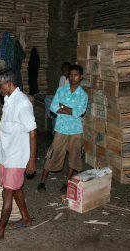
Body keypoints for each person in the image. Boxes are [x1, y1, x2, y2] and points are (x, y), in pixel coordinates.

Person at [0, 69, 37, 244]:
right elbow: (11, 125)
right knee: (16, 188)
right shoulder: (8, 100)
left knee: (7, 192)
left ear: (9, 84)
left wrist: (32, 159)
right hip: (6, 153)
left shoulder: (22, 104)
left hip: (16, 156)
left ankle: (0, 231)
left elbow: (33, 133)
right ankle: (26, 218)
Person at [37, 64, 88, 193]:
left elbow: (79, 112)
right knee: (53, 153)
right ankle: (42, 181)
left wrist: (63, 107)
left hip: (76, 131)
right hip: (61, 128)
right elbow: (53, 107)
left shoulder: (83, 95)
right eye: (70, 75)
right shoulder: (61, 90)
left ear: (81, 77)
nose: (72, 77)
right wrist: (69, 110)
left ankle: (67, 182)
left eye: (75, 75)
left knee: (74, 156)